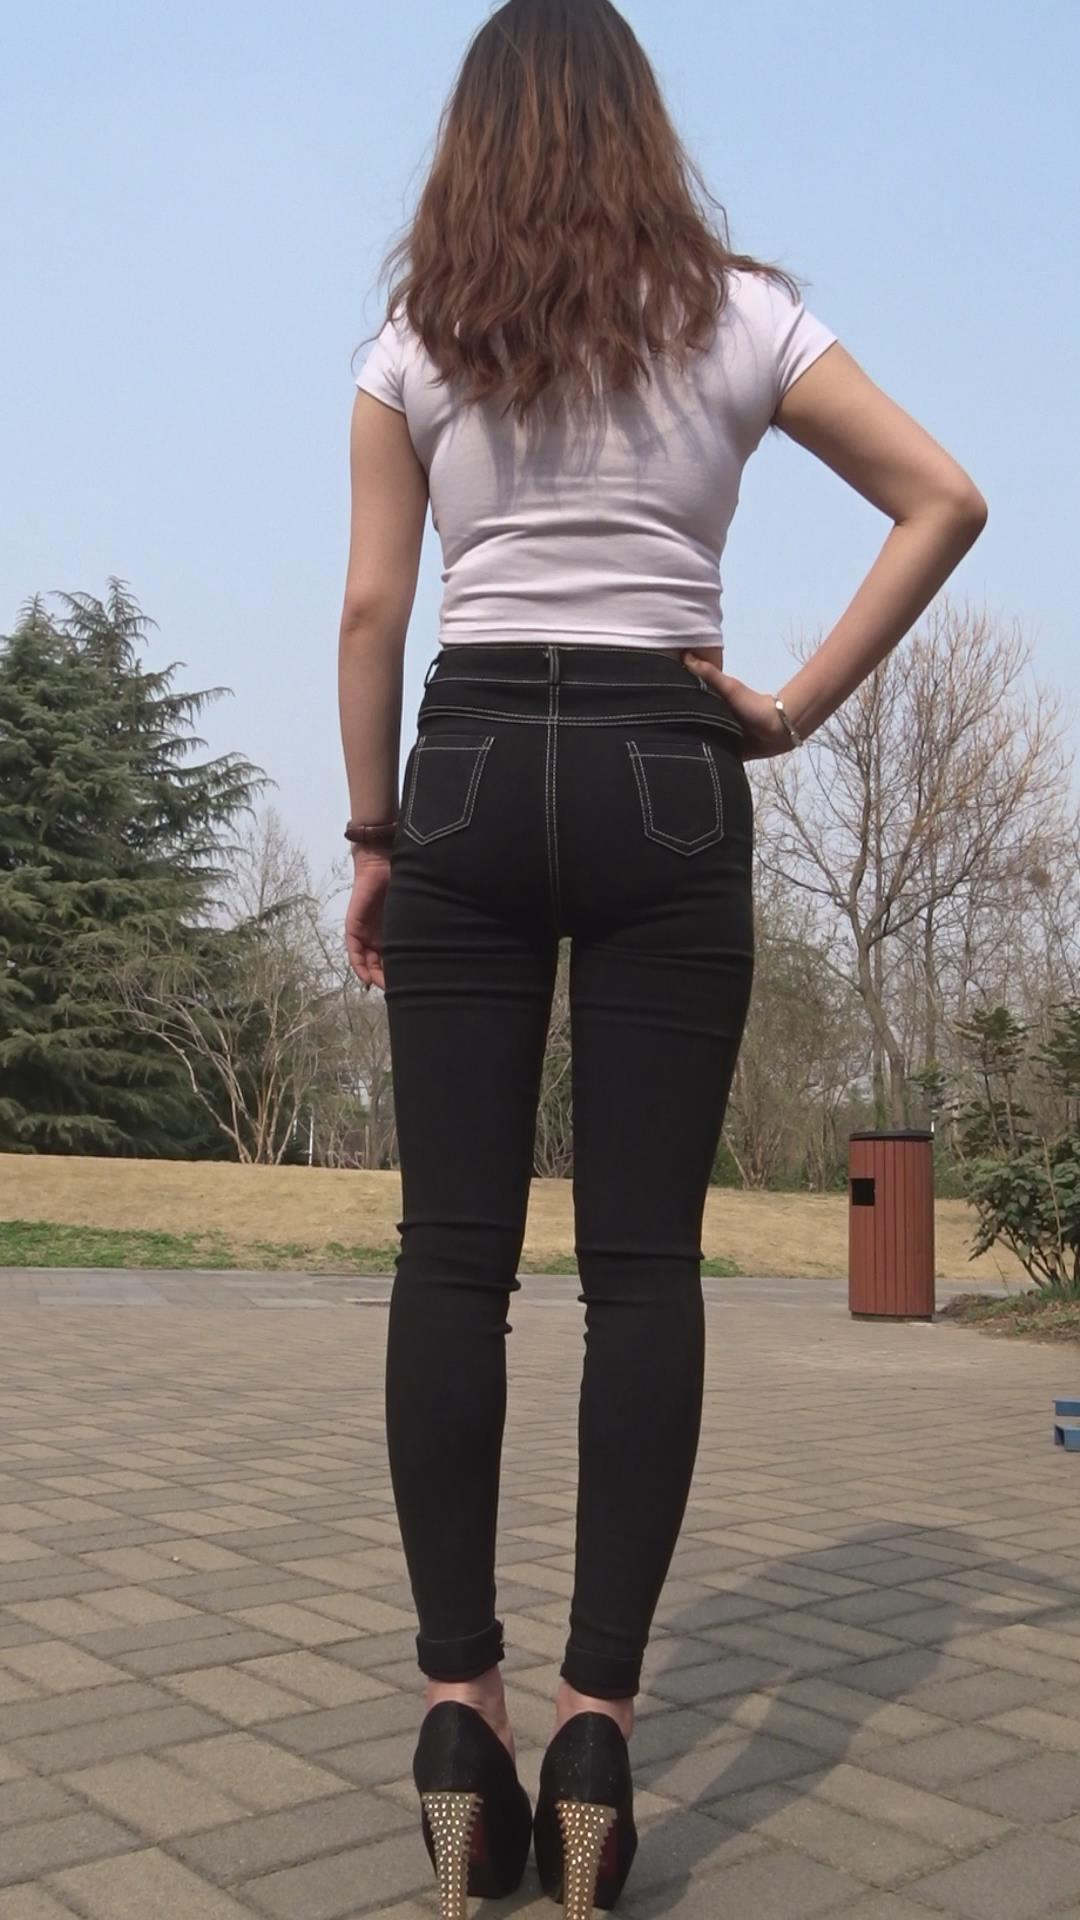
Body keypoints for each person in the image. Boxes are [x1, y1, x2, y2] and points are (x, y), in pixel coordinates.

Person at [337, 3, 987, 1913]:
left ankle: (457, 1722)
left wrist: (375, 836)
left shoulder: (415, 337)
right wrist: (787, 708)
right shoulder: (747, 316)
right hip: (668, 768)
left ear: (470, 141)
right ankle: (596, 1741)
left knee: (451, 1259)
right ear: (643, 126)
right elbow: (945, 496)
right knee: (644, 1272)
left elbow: (374, 605)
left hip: (468, 763)